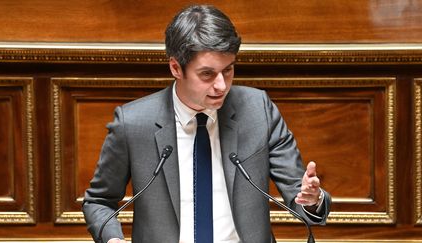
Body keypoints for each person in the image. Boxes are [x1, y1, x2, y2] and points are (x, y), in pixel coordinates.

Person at [82, 4, 331, 243]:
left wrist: (313, 198)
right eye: (207, 74)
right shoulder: (133, 123)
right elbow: (99, 201)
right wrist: (113, 238)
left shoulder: (258, 110)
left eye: (228, 70)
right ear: (176, 68)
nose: (221, 85)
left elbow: (299, 190)